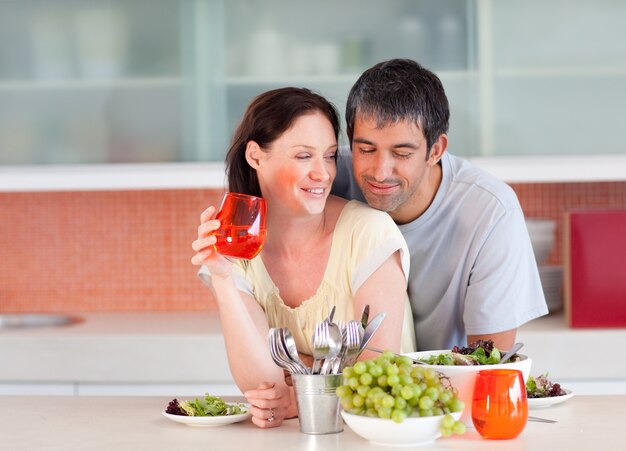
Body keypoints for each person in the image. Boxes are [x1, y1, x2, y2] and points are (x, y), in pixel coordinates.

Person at [191, 87, 415, 428]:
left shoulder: (369, 233)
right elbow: (262, 388)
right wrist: (222, 277)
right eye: (303, 156)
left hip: (380, 435)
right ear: (255, 156)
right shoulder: (238, 246)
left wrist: (299, 388)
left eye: (328, 156)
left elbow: (378, 377)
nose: (323, 173)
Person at [332, 58, 548, 352]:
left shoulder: (491, 211)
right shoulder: (326, 180)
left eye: (402, 153)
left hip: (446, 389)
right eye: (366, 149)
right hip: (340, 386)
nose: (380, 171)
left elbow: (488, 363)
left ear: (436, 150)